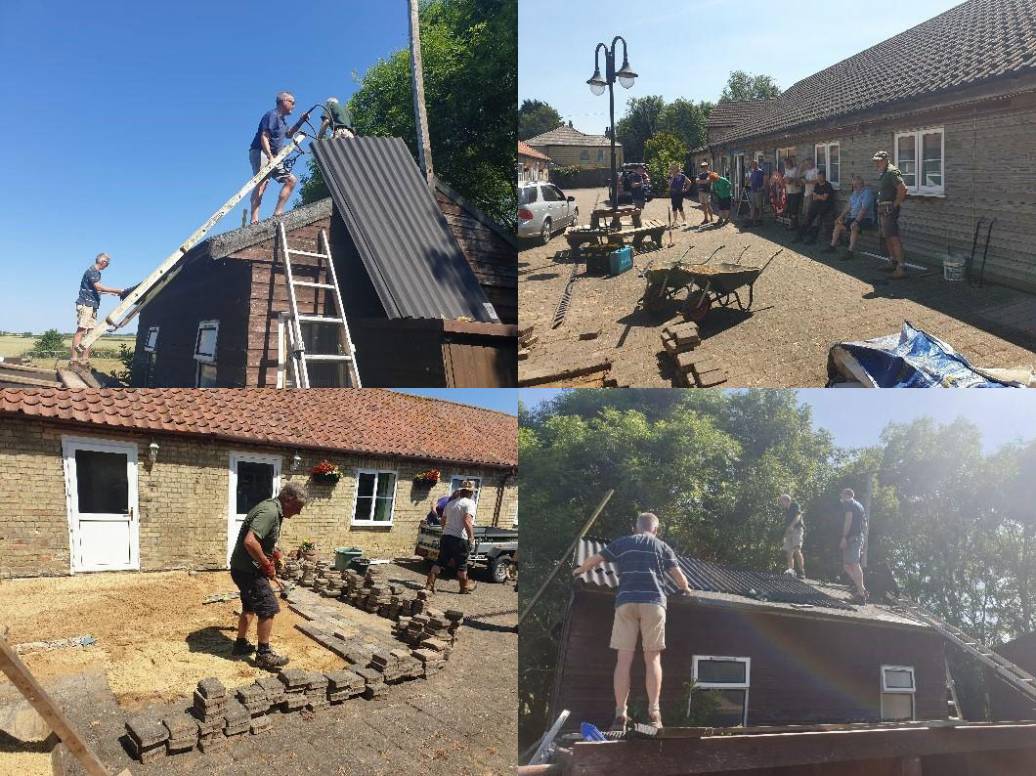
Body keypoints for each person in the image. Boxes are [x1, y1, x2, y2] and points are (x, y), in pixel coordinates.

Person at [571, 512, 691, 731]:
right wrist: (686, 588)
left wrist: (578, 570)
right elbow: (679, 576)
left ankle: (620, 713)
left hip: (626, 602)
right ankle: (654, 713)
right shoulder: (663, 547)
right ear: (656, 530)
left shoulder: (623, 542)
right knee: (652, 659)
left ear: (635, 528)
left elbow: (595, 560)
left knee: (623, 660)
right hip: (654, 603)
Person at [228, 482, 309, 668]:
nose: (298, 513)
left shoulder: (270, 507)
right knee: (268, 608)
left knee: (249, 607)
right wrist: (266, 565)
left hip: (241, 568)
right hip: (249, 571)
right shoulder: (270, 512)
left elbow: (262, 541)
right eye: (298, 507)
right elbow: (250, 542)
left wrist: (275, 552)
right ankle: (263, 654)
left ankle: (240, 645)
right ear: (289, 499)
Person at [248, 92, 311, 224]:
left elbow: (288, 134)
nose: (294, 105)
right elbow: (264, 136)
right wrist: (270, 157)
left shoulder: (282, 121)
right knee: (262, 182)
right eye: (292, 102)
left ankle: (278, 213)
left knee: (291, 180)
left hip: (274, 156)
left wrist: (301, 121)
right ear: (283, 101)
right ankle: (254, 219)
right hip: (261, 152)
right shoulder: (272, 115)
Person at [426, 480, 479, 594]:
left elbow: (443, 521)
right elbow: (467, 521)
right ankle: (464, 588)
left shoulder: (451, 503)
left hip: (446, 537)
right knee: (461, 566)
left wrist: (446, 530)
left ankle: (429, 585)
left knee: (440, 562)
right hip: (460, 539)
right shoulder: (470, 503)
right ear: (470, 492)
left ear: (461, 491)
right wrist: (471, 538)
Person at [72, 253, 125, 367]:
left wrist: (110, 293)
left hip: (92, 305)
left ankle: (85, 359)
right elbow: (98, 287)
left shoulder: (96, 273)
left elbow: (96, 290)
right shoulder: (92, 271)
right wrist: (118, 290)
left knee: (91, 332)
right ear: (103, 262)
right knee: (81, 330)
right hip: (86, 304)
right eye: (107, 263)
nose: (107, 266)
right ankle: (74, 359)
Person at [873, 150, 909, 279]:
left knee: (893, 236)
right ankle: (892, 261)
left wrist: (895, 205)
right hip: (883, 208)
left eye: (879, 161)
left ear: (886, 160)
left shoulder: (892, 171)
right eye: (876, 161)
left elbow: (903, 189)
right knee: (887, 236)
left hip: (889, 209)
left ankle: (901, 267)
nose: (877, 163)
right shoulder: (884, 172)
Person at [824, 175, 876, 259]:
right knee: (838, 225)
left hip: (866, 219)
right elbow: (848, 207)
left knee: (854, 227)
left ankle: (850, 251)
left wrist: (856, 221)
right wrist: (840, 217)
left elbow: (864, 209)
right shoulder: (855, 193)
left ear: (861, 184)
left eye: (856, 185)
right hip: (854, 217)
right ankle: (832, 246)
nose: (854, 187)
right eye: (853, 185)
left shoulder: (867, 193)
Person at [839, 488, 868, 603]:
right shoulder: (860, 505)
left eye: (842, 495)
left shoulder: (849, 503)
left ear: (846, 495)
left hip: (853, 538)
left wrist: (844, 537)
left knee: (854, 564)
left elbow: (848, 520)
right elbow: (865, 523)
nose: (841, 497)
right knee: (847, 566)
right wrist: (862, 540)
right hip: (858, 537)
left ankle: (861, 596)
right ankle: (862, 590)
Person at [793, 170, 835, 244]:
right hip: (816, 205)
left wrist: (818, 196)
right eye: (818, 177)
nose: (819, 179)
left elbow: (824, 198)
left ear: (824, 177)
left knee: (817, 219)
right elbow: (814, 197)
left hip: (826, 206)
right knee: (808, 218)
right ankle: (799, 236)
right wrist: (820, 196)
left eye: (820, 177)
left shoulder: (828, 185)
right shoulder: (817, 185)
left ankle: (812, 239)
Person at [778, 494, 805, 579]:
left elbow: (798, 516)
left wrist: (792, 526)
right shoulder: (786, 510)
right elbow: (787, 525)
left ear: (786, 500)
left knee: (796, 550)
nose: (781, 503)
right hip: (789, 532)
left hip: (797, 529)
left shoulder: (795, 505)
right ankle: (791, 571)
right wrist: (784, 537)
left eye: (781, 501)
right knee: (788, 552)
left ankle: (801, 571)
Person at [783, 156, 803, 230]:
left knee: (794, 210)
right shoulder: (786, 170)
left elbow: (797, 180)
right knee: (791, 209)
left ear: (789, 163)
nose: (784, 165)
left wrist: (790, 179)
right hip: (789, 192)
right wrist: (789, 179)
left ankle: (792, 225)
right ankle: (795, 225)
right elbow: (785, 180)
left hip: (796, 192)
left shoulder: (795, 170)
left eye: (785, 164)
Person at [747, 160, 765, 226]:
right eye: (751, 165)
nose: (752, 166)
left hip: (758, 191)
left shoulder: (760, 171)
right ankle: (752, 218)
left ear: (756, 164)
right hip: (753, 190)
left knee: (759, 206)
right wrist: (747, 183)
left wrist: (761, 188)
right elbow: (750, 179)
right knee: (753, 205)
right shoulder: (753, 171)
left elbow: (764, 180)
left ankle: (760, 219)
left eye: (753, 164)